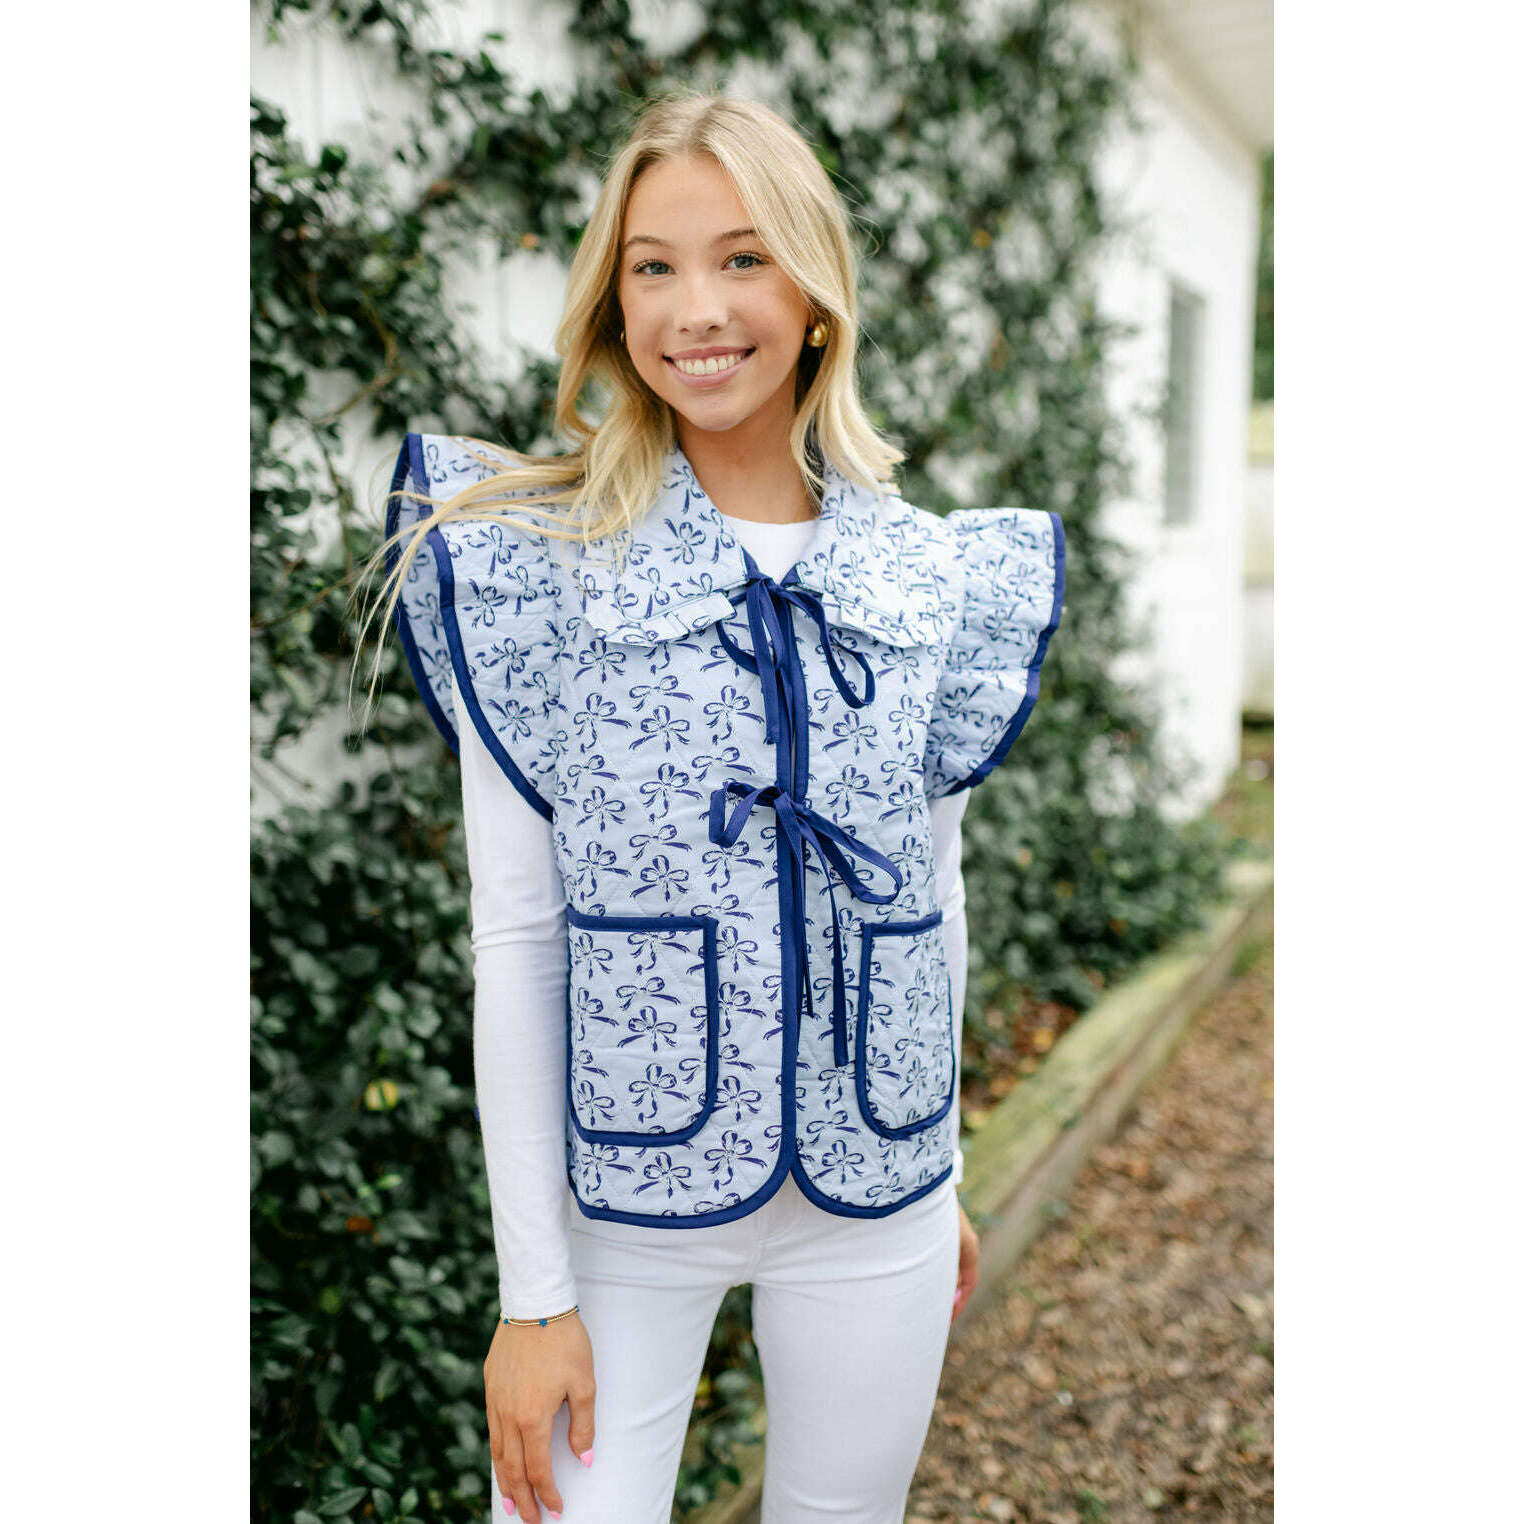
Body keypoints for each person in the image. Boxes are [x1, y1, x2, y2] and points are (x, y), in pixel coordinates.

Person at [357, 90, 1064, 1524]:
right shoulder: (534, 568)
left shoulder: (930, 576)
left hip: (877, 1201)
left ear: (814, 293)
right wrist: (532, 1298)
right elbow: (519, 940)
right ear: (613, 304)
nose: (699, 309)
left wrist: (935, 1173)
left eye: (744, 258)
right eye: (654, 266)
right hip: (620, 1215)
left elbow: (931, 898)